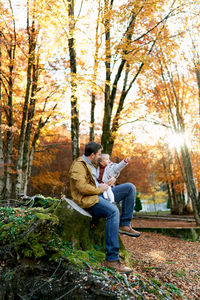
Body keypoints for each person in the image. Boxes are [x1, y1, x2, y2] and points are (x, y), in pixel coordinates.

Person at [69, 142, 140, 274]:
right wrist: (98, 189)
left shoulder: (92, 164)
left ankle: (125, 224)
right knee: (113, 211)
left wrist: (112, 180)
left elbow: (112, 169)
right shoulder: (78, 166)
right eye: (99, 154)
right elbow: (81, 187)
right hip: (88, 199)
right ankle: (112, 260)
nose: (101, 157)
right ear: (92, 155)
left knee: (130, 187)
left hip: (101, 193)